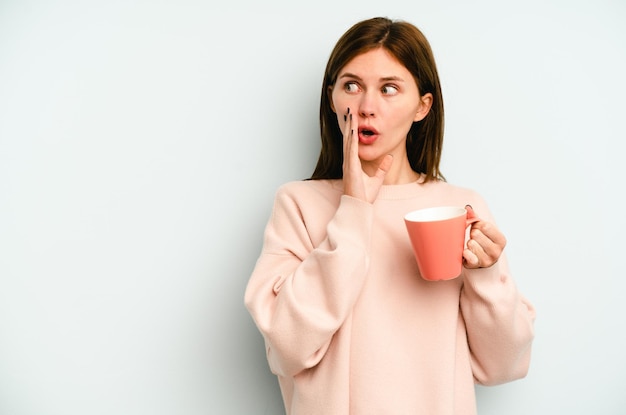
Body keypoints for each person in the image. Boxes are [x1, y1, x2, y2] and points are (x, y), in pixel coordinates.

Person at [244, 16, 535, 415]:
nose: (365, 107)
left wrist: (486, 275)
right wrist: (354, 210)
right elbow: (288, 347)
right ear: (332, 98)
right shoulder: (298, 204)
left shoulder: (459, 207)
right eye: (351, 86)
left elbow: (502, 365)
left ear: (422, 106)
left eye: (389, 89)